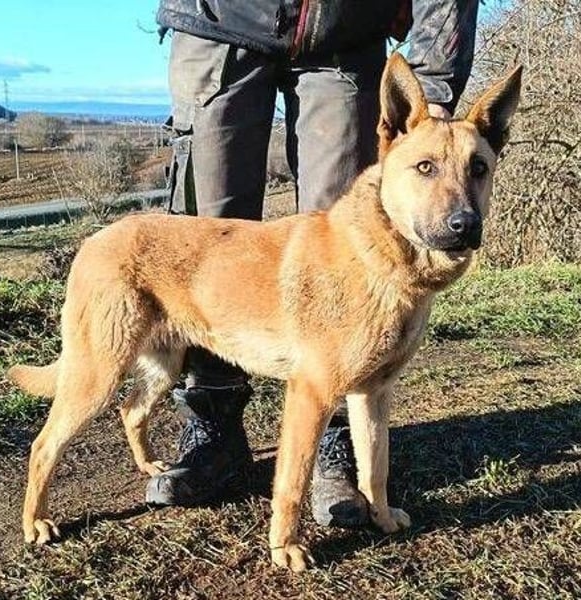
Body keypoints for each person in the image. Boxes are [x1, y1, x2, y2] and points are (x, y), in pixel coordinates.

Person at [148, 0, 480, 527]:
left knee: (341, 241)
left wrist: (434, 89)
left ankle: (333, 440)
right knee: (207, 240)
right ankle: (212, 424)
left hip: (344, 34)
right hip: (217, 21)